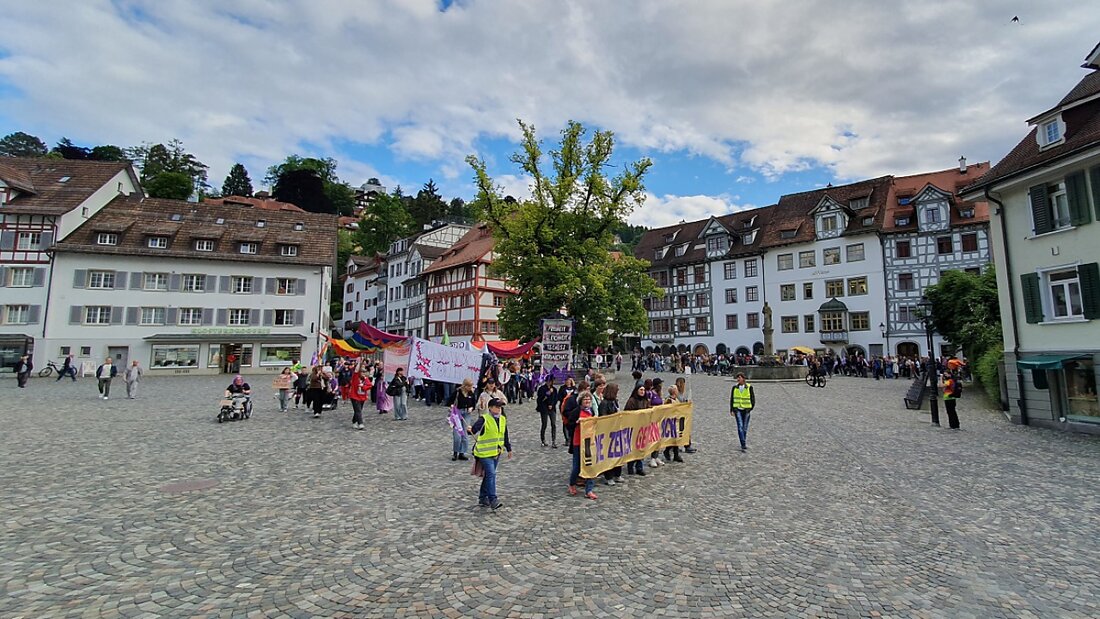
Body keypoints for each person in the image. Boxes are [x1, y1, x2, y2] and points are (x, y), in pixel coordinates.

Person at [468, 397, 512, 510]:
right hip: (484, 452)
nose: (499, 409)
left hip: (496, 452)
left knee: (488, 475)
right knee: (491, 474)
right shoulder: (484, 419)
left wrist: (509, 448)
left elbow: (504, 434)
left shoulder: (502, 419)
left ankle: (483, 497)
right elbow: (474, 430)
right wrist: (471, 430)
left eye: (500, 407)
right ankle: (493, 499)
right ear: (491, 408)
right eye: (497, 407)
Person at [565, 391, 599, 500]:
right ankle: (572, 483)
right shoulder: (576, 412)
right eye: (585, 400)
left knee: (590, 466)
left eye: (589, 400)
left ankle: (589, 490)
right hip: (578, 442)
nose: (587, 402)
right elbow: (568, 425)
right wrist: (577, 422)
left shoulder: (592, 411)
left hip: (589, 442)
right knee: (577, 466)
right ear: (581, 401)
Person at [622, 385, 650, 476]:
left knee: (641, 448)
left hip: (643, 428)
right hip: (633, 428)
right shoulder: (631, 401)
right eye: (641, 390)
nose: (642, 391)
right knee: (633, 448)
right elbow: (627, 413)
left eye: (644, 390)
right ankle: (630, 466)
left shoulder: (646, 401)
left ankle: (639, 467)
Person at [599, 383, 623, 485]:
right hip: (608, 432)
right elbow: (603, 418)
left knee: (618, 453)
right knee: (609, 455)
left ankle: (617, 474)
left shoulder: (615, 401)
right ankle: (609, 476)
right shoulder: (604, 403)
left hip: (616, 431)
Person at [729, 373, 756, 452]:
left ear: (743, 378)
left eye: (739, 378)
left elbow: (752, 398)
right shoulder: (734, 388)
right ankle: (743, 443)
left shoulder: (749, 387)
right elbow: (732, 399)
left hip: (746, 409)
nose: (738, 379)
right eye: (737, 378)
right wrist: (732, 409)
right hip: (738, 410)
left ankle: (743, 440)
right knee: (740, 426)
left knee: (744, 428)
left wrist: (751, 408)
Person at [536, 375, 559, 448]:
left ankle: (553, 441)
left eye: (551, 381)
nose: (550, 382)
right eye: (549, 381)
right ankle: (543, 440)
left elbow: (556, 398)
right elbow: (540, 398)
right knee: (544, 424)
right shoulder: (542, 389)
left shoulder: (554, 389)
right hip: (544, 409)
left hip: (552, 409)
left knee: (553, 424)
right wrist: (548, 393)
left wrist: (552, 404)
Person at [663, 386, 684, 463]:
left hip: (677, 421)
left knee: (676, 438)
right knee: (672, 438)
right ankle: (668, 451)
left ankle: (676, 455)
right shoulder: (669, 400)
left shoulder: (677, 399)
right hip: (671, 421)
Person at [348, 362, 372, 429]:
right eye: (362, 372)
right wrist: (359, 362)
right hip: (354, 396)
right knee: (358, 410)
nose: (363, 374)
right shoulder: (355, 377)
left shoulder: (365, 379)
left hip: (362, 397)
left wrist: (363, 386)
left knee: (358, 410)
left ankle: (354, 421)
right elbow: (356, 370)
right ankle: (360, 423)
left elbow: (369, 385)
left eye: (364, 372)